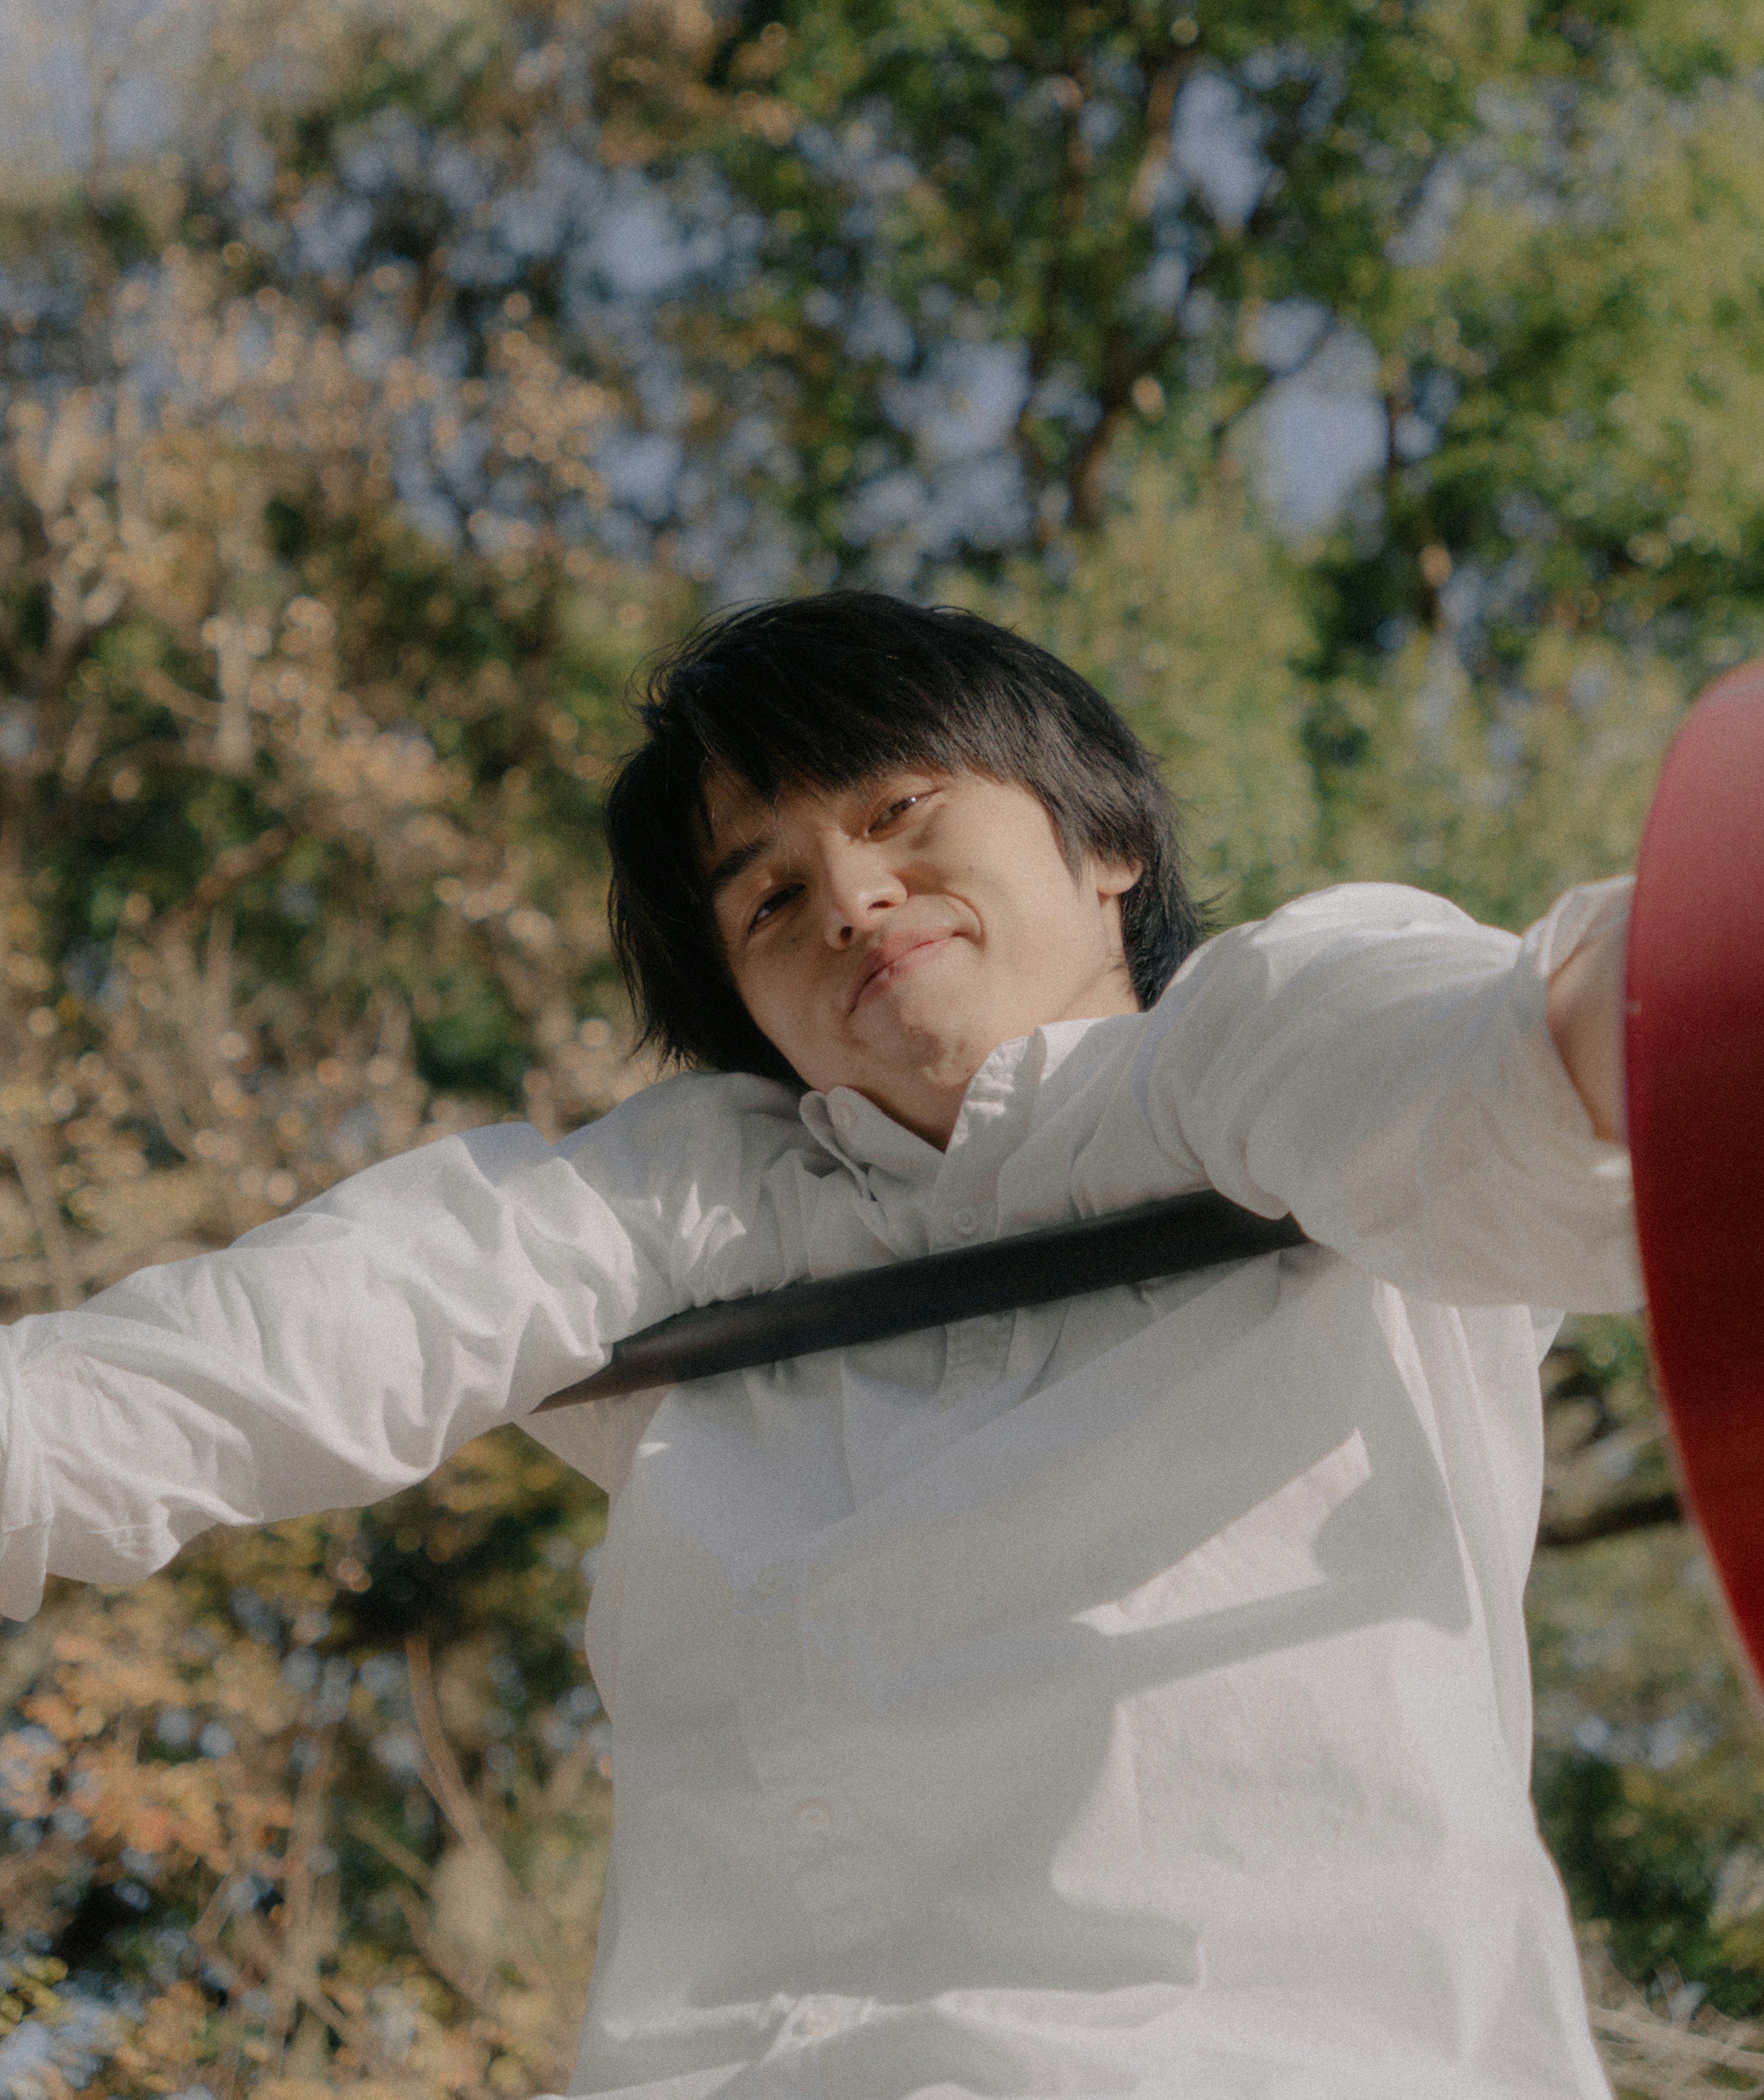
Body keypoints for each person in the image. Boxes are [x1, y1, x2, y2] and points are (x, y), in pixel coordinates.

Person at [0, 592, 1636, 2100]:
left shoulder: (1256, 1037)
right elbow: (268, 1351)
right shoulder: (695, 1209)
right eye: (770, 895)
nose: (852, 899)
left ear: (1104, 841)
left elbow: (1515, 1075)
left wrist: (1656, 1011)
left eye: (901, 814)